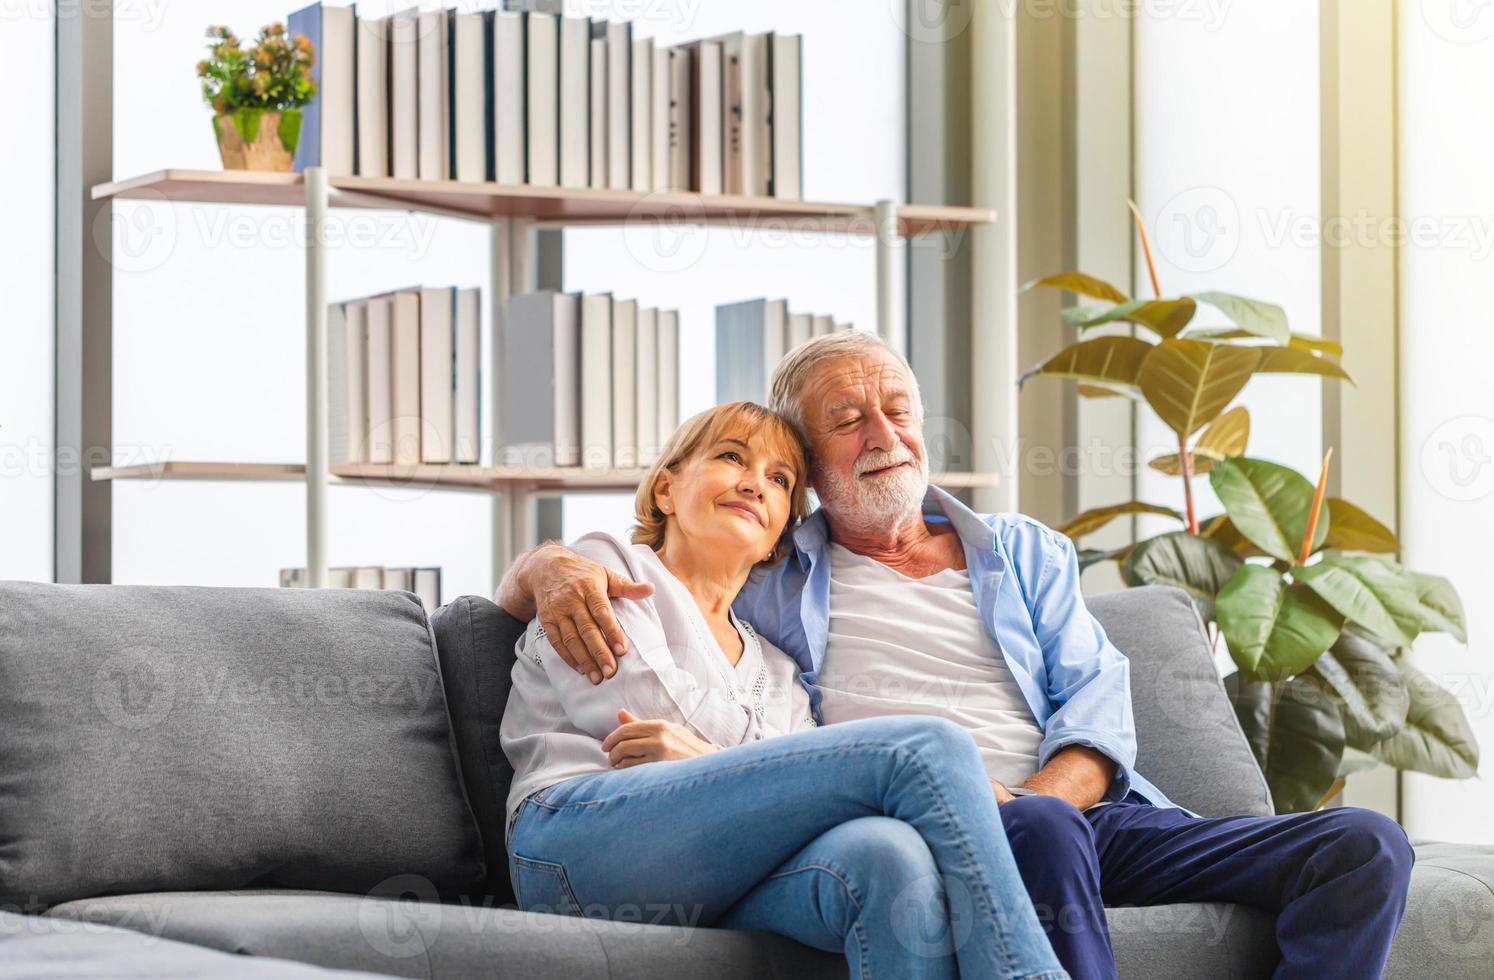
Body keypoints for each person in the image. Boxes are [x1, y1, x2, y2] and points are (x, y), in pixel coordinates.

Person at [496, 333, 1416, 980]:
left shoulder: (1023, 552)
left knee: (1364, 844)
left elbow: (1097, 702)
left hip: (1082, 811)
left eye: (897, 410)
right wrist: (546, 563)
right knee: (1017, 822)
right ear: (816, 466)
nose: (883, 435)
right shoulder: (770, 571)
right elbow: (610, 616)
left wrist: (1044, 797)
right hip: (955, 822)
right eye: (847, 420)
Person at [499, 400, 1067, 980]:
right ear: (666, 490)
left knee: (887, 858)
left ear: (777, 538)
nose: (755, 484)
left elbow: (790, 795)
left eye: (780, 480)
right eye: (730, 457)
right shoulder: (606, 568)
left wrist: (710, 761)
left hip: (717, 869)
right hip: (575, 843)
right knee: (931, 749)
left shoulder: (777, 666)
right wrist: (735, 764)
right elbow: (638, 706)